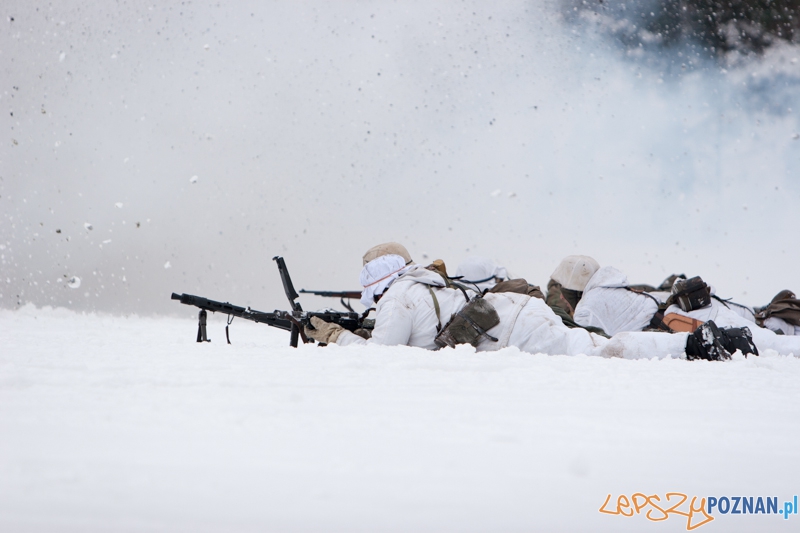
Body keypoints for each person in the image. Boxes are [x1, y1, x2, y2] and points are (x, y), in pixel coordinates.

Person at [304, 249, 739, 362]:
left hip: (510, 328)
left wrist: (336, 335)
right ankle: (695, 343)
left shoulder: (399, 295)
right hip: (512, 311)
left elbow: (385, 358)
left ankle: (694, 347)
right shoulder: (421, 282)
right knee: (589, 345)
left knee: (595, 352)